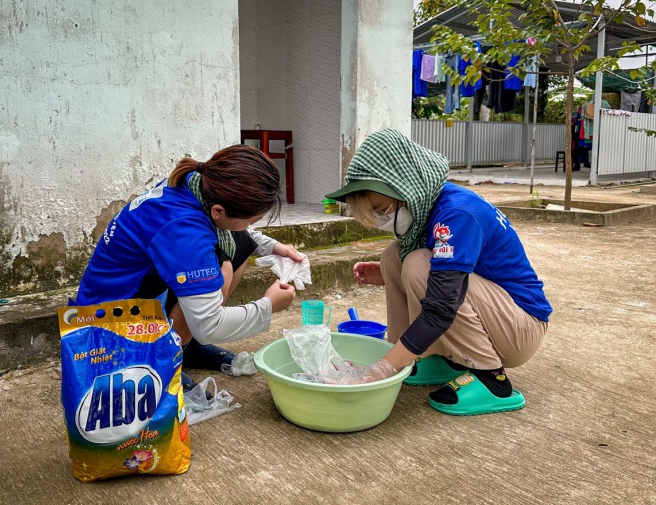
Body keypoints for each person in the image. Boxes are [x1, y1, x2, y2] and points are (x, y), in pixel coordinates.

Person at [325, 129, 552, 416]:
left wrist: (380, 370)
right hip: (498, 315)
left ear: (407, 187)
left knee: (419, 263)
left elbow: (441, 306)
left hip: (520, 328)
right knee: (394, 256)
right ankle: (433, 355)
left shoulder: (457, 213)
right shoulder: (433, 208)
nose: (382, 219)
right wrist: (387, 273)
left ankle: (491, 377)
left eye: (383, 209)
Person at [75, 144, 301, 389]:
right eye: (252, 219)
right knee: (221, 265)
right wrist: (268, 306)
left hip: (141, 290)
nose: (251, 223)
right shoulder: (184, 232)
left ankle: (186, 346)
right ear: (218, 210)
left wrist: (273, 247)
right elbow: (209, 325)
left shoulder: (196, 181)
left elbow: (236, 228)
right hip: (111, 327)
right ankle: (162, 362)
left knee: (240, 243)